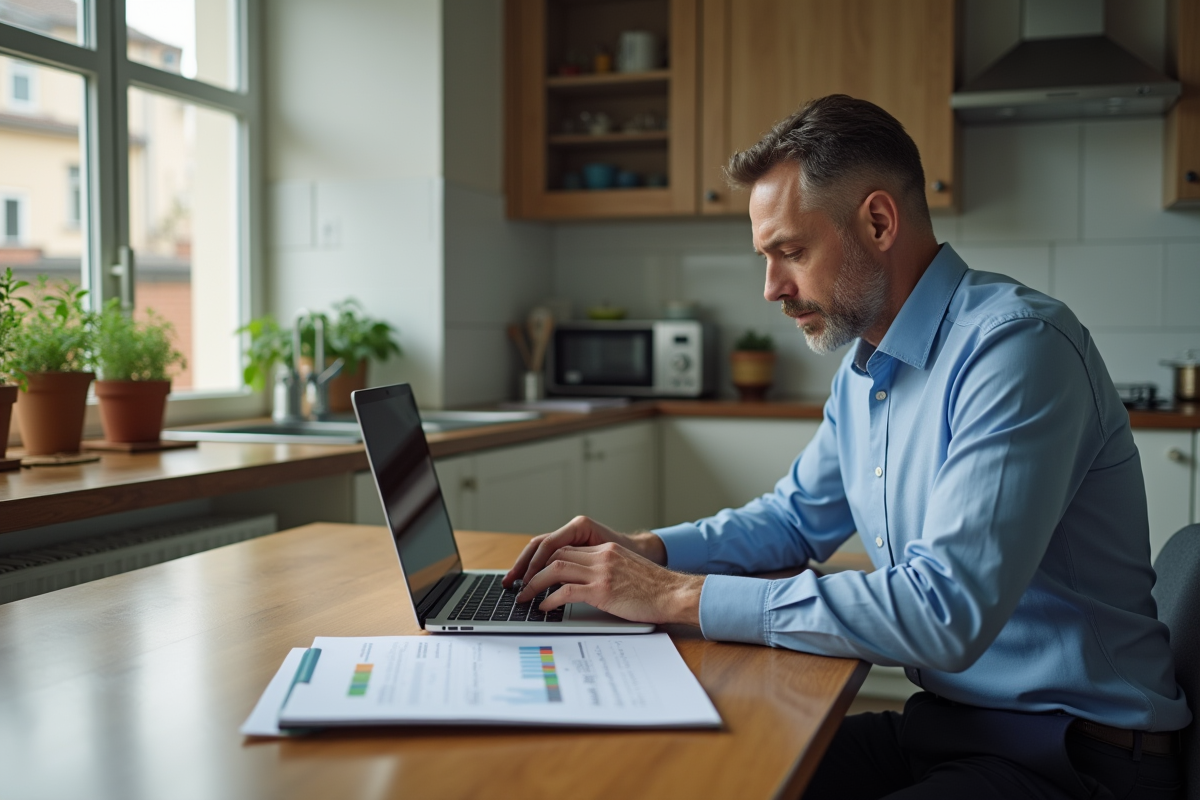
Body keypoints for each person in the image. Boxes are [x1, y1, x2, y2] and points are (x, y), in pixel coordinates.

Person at [502, 95, 1189, 799]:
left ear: (879, 222)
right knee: (703, 780)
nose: (771, 288)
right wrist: (649, 550)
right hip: (952, 727)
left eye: (791, 252)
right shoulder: (865, 371)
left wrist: (678, 595)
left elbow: (943, 613)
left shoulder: (1015, 348)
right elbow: (793, 521)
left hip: (1078, 756)